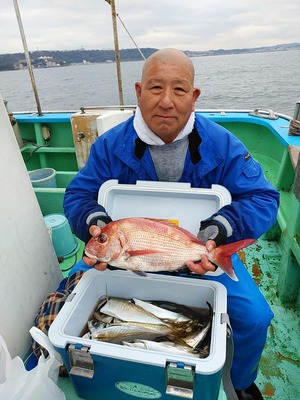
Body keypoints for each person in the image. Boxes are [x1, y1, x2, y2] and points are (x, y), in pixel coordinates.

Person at [64, 48, 279, 400]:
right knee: (68, 294)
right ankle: (96, 367)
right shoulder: (109, 146)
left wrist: (216, 233)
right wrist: (97, 224)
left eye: (179, 90)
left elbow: (262, 198)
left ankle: (240, 382)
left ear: (194, 96)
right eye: (155, 88)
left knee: (255, 318)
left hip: (201, 256)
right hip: (123, 255)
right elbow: (78, 196)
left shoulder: (222, 145)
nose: (166, 101)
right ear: (138, 91)